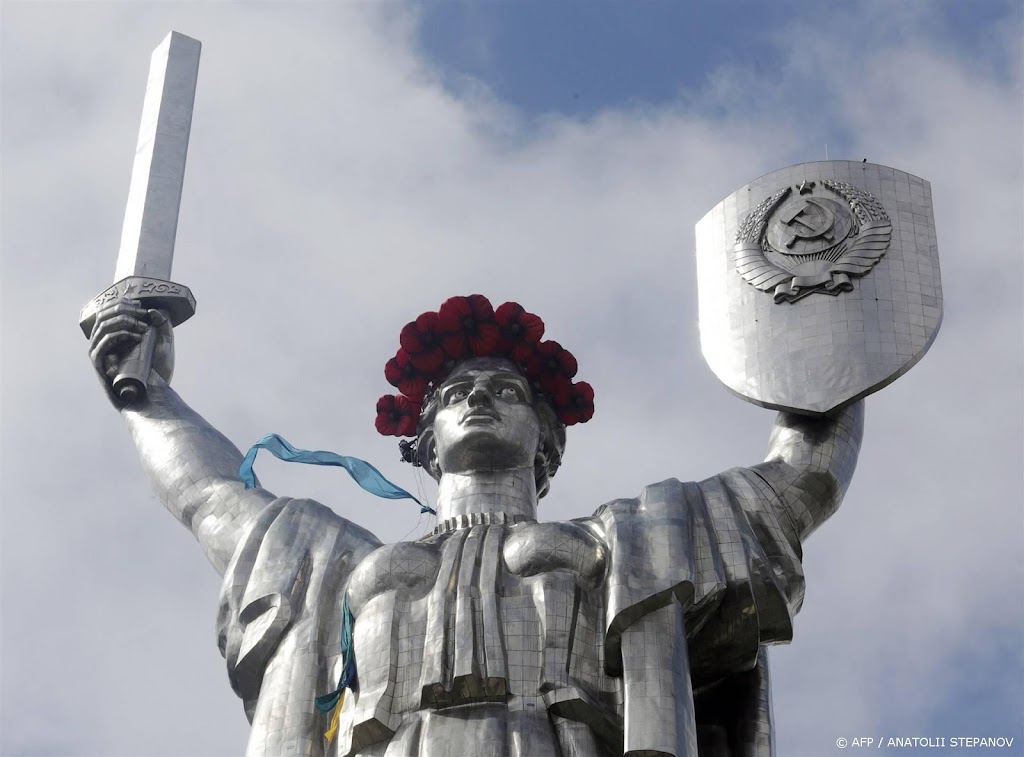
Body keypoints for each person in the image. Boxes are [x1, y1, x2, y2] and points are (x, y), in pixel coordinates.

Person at [89, 293, 863, 757]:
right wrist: (147, 395)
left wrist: (829, 346)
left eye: (506, 389)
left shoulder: (629, 541)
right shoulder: (335, 563)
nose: (480, 397)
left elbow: (801, 480)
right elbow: (210, 494)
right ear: (424, 439)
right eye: (458, 390)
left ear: (546, 437)